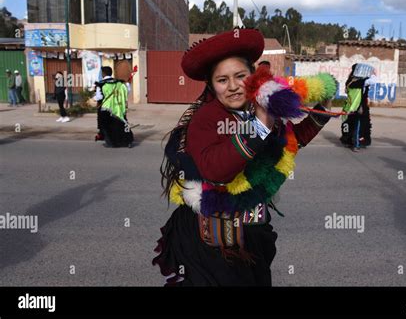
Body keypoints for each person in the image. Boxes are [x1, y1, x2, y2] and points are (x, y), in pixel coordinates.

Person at [154, 28, 332, 286]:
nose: (233, 86)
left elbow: (288, 142)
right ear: (211, 86)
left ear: (253, 77)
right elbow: (216, 169)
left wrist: (321, 112)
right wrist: (259, 127)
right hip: (212, 245)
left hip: (252, 235)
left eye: (240, 76)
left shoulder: (258, 108)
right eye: (222, 80)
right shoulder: (205, 119)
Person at [340, 63, 375, 151]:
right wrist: (372, 73)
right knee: (358, 126)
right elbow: (374, 80)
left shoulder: (350, 81)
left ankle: (348, 141)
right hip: (359, 107)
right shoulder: (360, 82)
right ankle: (356, 144)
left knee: (350, 124)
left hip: (350, 106)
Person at [97, 66, 133, 148]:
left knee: (107, 125)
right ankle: (128, 141)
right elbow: (127, 90)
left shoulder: (101, 84)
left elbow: (99, 97)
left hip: (107, 108)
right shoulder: (120, 83)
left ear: (103, 73)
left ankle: (111, 143)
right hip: (120, 107)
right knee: (123, 125)